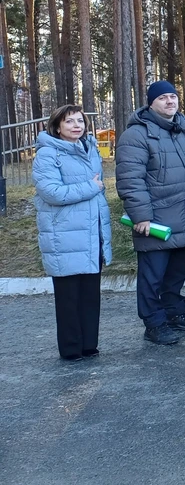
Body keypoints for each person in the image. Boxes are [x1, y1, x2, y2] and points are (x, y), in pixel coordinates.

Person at [116, 80, 185, 346]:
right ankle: (153, 323)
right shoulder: (136, 135)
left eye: (173, 96)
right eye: (163, 98)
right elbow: (130, 180)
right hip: (155, 220)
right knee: (152, 276)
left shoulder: (184, 131)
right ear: (151, 103)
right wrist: (141, 216)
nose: (170, 101)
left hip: (184, 215)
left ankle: (174, 312)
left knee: (176, 273)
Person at [33, 105, 112, 361]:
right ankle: (70, 349)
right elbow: (51, 193)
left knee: (90, 295)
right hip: (64, 236)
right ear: (57, 127)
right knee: (68, 298)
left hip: (90, 234)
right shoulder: (47, 154)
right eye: (70, 122)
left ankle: (89, 344)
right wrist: (90, 187)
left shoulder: (90, 150)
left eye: (80, 121)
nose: (77, 126)